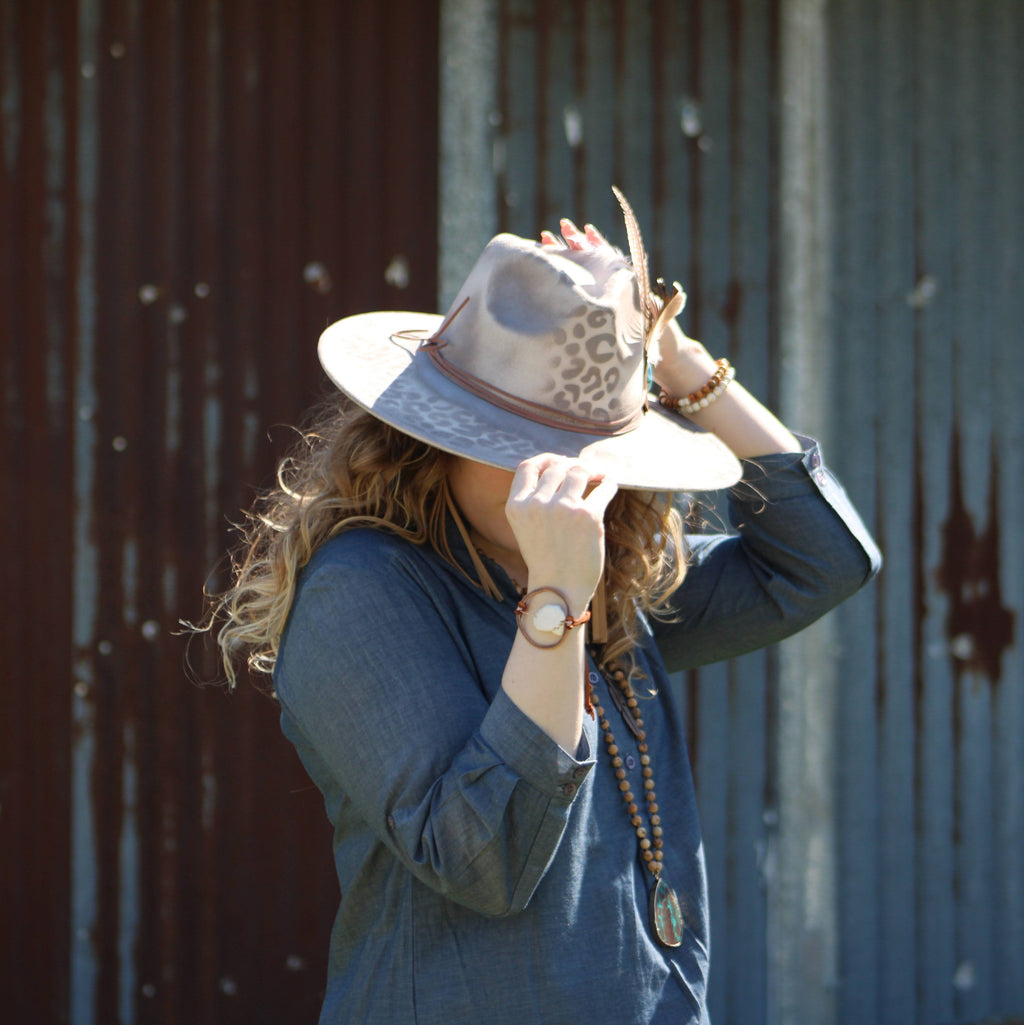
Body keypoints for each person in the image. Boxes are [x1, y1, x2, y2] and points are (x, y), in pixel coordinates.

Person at [201, 190, 880, 1024]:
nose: (552, 474)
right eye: (516, 441)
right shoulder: (363, 587)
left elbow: (822, 563)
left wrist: (675, 359)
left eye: (582, 448)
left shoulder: (614, 570)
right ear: (439, 431)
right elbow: (483, 859)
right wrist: (555, 602)